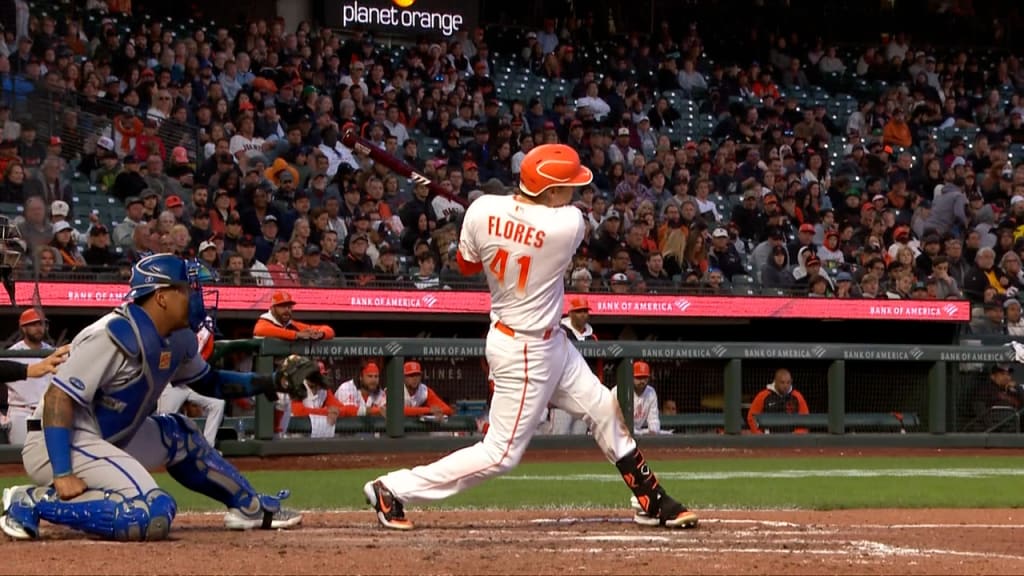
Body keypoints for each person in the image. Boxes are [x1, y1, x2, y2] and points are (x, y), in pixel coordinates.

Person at [363, 143, 698, 530]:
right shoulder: (569, 224)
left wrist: (474, 221)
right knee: (500, 454)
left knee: (603, 407)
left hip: (550, 340)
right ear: (552, 192)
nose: (574, 193)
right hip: (524, 350)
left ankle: (650, 496)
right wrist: (488, 218)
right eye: (568, 187)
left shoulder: (483, 210)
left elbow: (467, 265)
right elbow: (529, 223)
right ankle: (393, 488)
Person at [0, 254, 303, 542]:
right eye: (185, 289)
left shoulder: (180, 336)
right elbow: (57, 399)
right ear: (161, 296)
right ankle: (30, 500)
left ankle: (249, 508)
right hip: (59, 442)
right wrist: (63, 472)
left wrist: (271, 381)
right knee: (149, 512)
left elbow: (209, 382)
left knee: (180, 434)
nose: (195, 297)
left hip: (110, 436)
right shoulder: (112, 334)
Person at [550, 296, 602, 435]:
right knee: (559, 436)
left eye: (586, 311)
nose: (584, 314)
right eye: (579, 311)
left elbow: (597, 368)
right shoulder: (560, 332)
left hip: (584, 397)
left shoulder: (592, 337)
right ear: (571, 313)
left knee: (579, 438)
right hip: (563, 396)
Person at [5, 309, 54, 445]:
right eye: (33, 324)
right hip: (21, 413)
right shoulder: (12, 353)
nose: (39, 328)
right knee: (19, 458)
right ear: (23, 328)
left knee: (47, 457)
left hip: (47, 413)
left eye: (41, 324)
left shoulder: (52, 352)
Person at [746, 368, 810, 434]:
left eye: (788, 382)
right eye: (782, 382)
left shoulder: (797, 396)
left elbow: (805, 417)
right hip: (768, 438)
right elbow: (752, 417)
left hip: (792, 437)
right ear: (775, 381)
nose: (786, 386)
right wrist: (759, 433)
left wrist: (797, 434)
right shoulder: (763, 395)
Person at [291, 361, 345, 438]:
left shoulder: (324, 390)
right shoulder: (297, 386)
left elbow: (340, 408)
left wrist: (336, 412)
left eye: (323, 375)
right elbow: (299, 411)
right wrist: (326, 412)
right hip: (292, 434)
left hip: (313, 434)